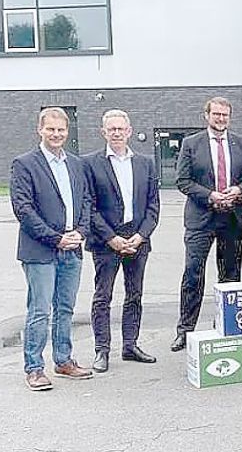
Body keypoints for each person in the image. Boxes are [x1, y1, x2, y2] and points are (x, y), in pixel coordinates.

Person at [10, 107, 94, 390]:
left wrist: (80, 232)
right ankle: (34, 368)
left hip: (73, 248)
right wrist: (56, 238)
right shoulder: (24, 164)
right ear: (40, 130)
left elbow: (86, 201)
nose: (56, 134)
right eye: (51, 129)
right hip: (41, 251)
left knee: (66, 308)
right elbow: (23, 209)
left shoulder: (76, 163)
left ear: (67, 132)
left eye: (61, 130)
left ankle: (63, 360)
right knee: (40, 310)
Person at [171, 97, 242, 352]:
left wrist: (238, 190)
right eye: (216, 114)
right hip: (201, 218)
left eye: (225, 115)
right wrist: (210, 195)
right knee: (193, 274)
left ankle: (227, 325)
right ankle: (185, 330)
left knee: (230, 275)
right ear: (206, 115)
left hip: (232, 217)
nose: (221, 119)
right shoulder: (191, 144)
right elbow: (182, 180)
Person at [83, 110, 161, 373]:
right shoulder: (90, 163)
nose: (116, 133)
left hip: (138, 239)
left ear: (129, 131)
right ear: (104, 132)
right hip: (107, 242)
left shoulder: (146, 163)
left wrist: (141, 236)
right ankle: (102, 350)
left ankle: (130, 345)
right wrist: (112, 238)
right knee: (103, 296)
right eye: (111, 129)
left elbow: (153, 205)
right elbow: (90, 207)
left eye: (121, 129)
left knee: (134, 294)